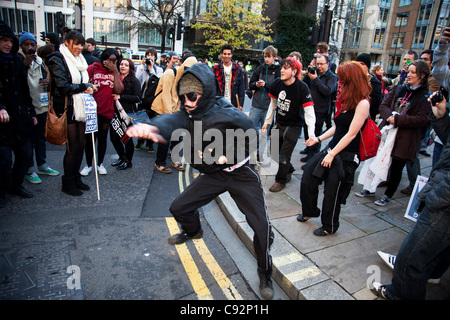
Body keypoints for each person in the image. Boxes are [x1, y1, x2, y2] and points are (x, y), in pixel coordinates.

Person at [126, 63, 275, 300]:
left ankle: (265, 271)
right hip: (214, 175)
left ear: (204, 93)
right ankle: (193, 231)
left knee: (262, 229)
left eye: (192, 96)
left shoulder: (228, 112)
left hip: (240, 173)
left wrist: (228, 155)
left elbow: (252, 138)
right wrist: (152, 126)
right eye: (183, 96)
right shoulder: (187, 114)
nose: (187, 101)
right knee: (179, 207)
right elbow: (171, 121)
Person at [371, 91, 450, 300]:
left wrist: (436, 196)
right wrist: (441, 116)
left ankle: (399, 294)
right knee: (429, 256)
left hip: (444, 203)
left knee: (410, 260)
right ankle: (431, 274)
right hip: (442, 193)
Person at [298, 61, 371, 236]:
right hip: (333, 148)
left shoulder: (363, 103)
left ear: (351, 80)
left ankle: (329, 226)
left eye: (342, 80)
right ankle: (310, 211)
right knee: (308, 176)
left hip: (347, 154)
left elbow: (351, 134)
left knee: (333, 190)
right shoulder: (345, 99)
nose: (339, 83)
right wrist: (317, 139)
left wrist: (332, 154)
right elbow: (338, 127)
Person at [355, 60, 431, 206]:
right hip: (387, 132)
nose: (409, 75)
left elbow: (421, 119)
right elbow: (383, 104)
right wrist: (389, 117)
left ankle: (388, 195)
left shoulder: (424, 97)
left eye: (413, 72)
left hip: (405, 137)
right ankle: (369, 188)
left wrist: (397, 119)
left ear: (422, 75)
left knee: (396, 167)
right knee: (376, 160)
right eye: (409, 71)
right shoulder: (399, 89)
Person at [47, 30, 95, 196]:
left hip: (80, 107)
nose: (80, 47)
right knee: (73, 147)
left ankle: (76, 178)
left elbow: (81, 84)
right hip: (67, 108)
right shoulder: (57, 58)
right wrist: (84, 86)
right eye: (76, 43)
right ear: (66, 42)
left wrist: (88, 88)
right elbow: (64, 86)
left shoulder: (80, 60)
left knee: (81, 145)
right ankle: (67, 182)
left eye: (82, 44)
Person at [262, 57, 316, 193]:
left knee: (284, 156)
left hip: (294, 126)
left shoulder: (302, 88)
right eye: (282, 67)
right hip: (279, 123)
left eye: (286, 68)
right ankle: (289, 169)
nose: (282, 70)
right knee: (274, 154)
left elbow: (309, 112)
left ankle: (280, 180)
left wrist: (311, 134)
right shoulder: (276, 84)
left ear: (294, 71)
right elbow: (272, 105)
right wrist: (267, 122)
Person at [0, 20, 36, 208]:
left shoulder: (15, 61)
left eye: (10, 41)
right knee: (4, 161)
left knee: (25, 154)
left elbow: (24, 89)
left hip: (20, 117)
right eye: (4, 40)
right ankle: (2, 190)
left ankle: (16, 185)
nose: (8, 44)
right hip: (2, 122)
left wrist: (31, 112)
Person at [17, 32, 60, 185]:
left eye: (33, 44)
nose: (30, 48)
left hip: (41, 105)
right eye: (26, 44)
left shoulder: (40, 61)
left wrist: (47, 82)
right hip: (27, 108)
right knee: (28, 141)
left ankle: (42, 165)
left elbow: (48, 79)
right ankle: (29, 169)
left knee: (40, 138)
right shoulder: (18, 60)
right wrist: (25, 65)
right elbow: (16, 81)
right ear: (21, 45)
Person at [148, 56, 197, 174]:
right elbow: (166, 96)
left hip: (175, 109)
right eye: (186, 68)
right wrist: (170, 117)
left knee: (178, 136)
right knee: (166, 136)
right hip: (161, 108)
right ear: (183, 65)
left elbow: (182, 98)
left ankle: (175, 160)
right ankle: (159, 163)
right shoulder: (170, 73)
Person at [80, 48, 123, 176]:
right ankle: (88, 164)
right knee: (90, 139)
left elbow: (118, 90)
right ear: (104, 59)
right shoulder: (92, 68)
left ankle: (100, 164)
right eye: (110, 60)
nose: (112, 63)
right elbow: (82, 86)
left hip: (107, 110)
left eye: (114, 61)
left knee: (103, 138)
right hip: (91, 110)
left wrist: (115, 71)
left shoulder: (116, 72)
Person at [303, 54, 337, 165]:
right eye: (317, 64)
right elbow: (304, 86)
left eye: (321, 64)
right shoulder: (314, 73)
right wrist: (308, 75)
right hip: (309, 108)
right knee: (307, 132)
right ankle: (308, 152)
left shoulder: (331, 77)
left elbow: (327, 91)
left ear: (327, 64)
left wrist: (316, 79)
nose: (319, 66)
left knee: (315, 135)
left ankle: (311, 160)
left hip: (320, 110)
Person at [248, 45, 281, 161]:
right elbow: (251, 83)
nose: (266, 59)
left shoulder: (278, 70)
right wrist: (256, 84)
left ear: (274, 57)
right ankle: (250, 152)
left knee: (264, 131)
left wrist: (265, 85)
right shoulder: (260, 68)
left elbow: (278, 87)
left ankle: (260, 154)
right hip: (256, 104)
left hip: (269, 106)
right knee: (251, 129)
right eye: (265, 57)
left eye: (269, 57)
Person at [110, 58, 141, 170]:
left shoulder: (134, 81)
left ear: (130, 68)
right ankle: (121, 157)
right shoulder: (115, 78)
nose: (123, 66)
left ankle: (128, 161)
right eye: (121, 64)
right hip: (114, 113)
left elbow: (138, 98)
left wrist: (121, 97)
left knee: (127, 139)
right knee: (114, 138)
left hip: (127, 114)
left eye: (126, 65)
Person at [135, 48, 163, 152]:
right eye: (148, 55)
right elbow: (136, 80)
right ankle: (140, 141)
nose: (149, 57)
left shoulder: (158, 70)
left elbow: (158, 82)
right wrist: (142, 66)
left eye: (152, 55)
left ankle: (150, 144)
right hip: (142, 99)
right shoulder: (141, 68)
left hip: (153, 100)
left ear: (155, 57)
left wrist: (151, 69)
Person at [212, 44, 245, 109]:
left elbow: (241, 88)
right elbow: (212, 86)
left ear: (231, 55)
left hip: (233, 103)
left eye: (228, 54)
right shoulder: (216, 69)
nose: (226, 56)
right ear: (221, 54)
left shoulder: (237, 69)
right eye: (225, 54)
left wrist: (240, 104)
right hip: (219, 102)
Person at [355, 53, 382, 121]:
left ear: (368, 66)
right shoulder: (352, 78)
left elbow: (376, 104)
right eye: (357, 64)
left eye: (362, 64)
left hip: (365, 119)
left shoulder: (374, 82)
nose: (359, 66)